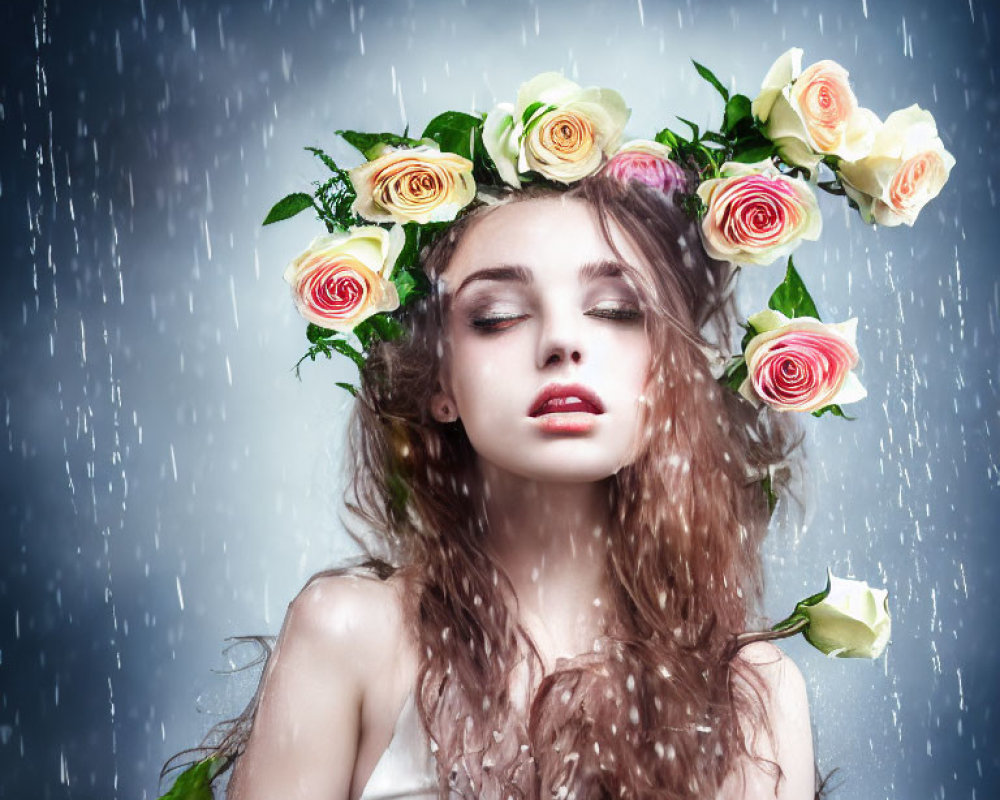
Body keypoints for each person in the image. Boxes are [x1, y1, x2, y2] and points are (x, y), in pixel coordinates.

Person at [185, 173, 818, 800]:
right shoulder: (351, 634)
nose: (563, 342)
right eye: (498, 317)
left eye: (614, 311)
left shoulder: (753, 694)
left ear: (666, 378)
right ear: (439, 381)